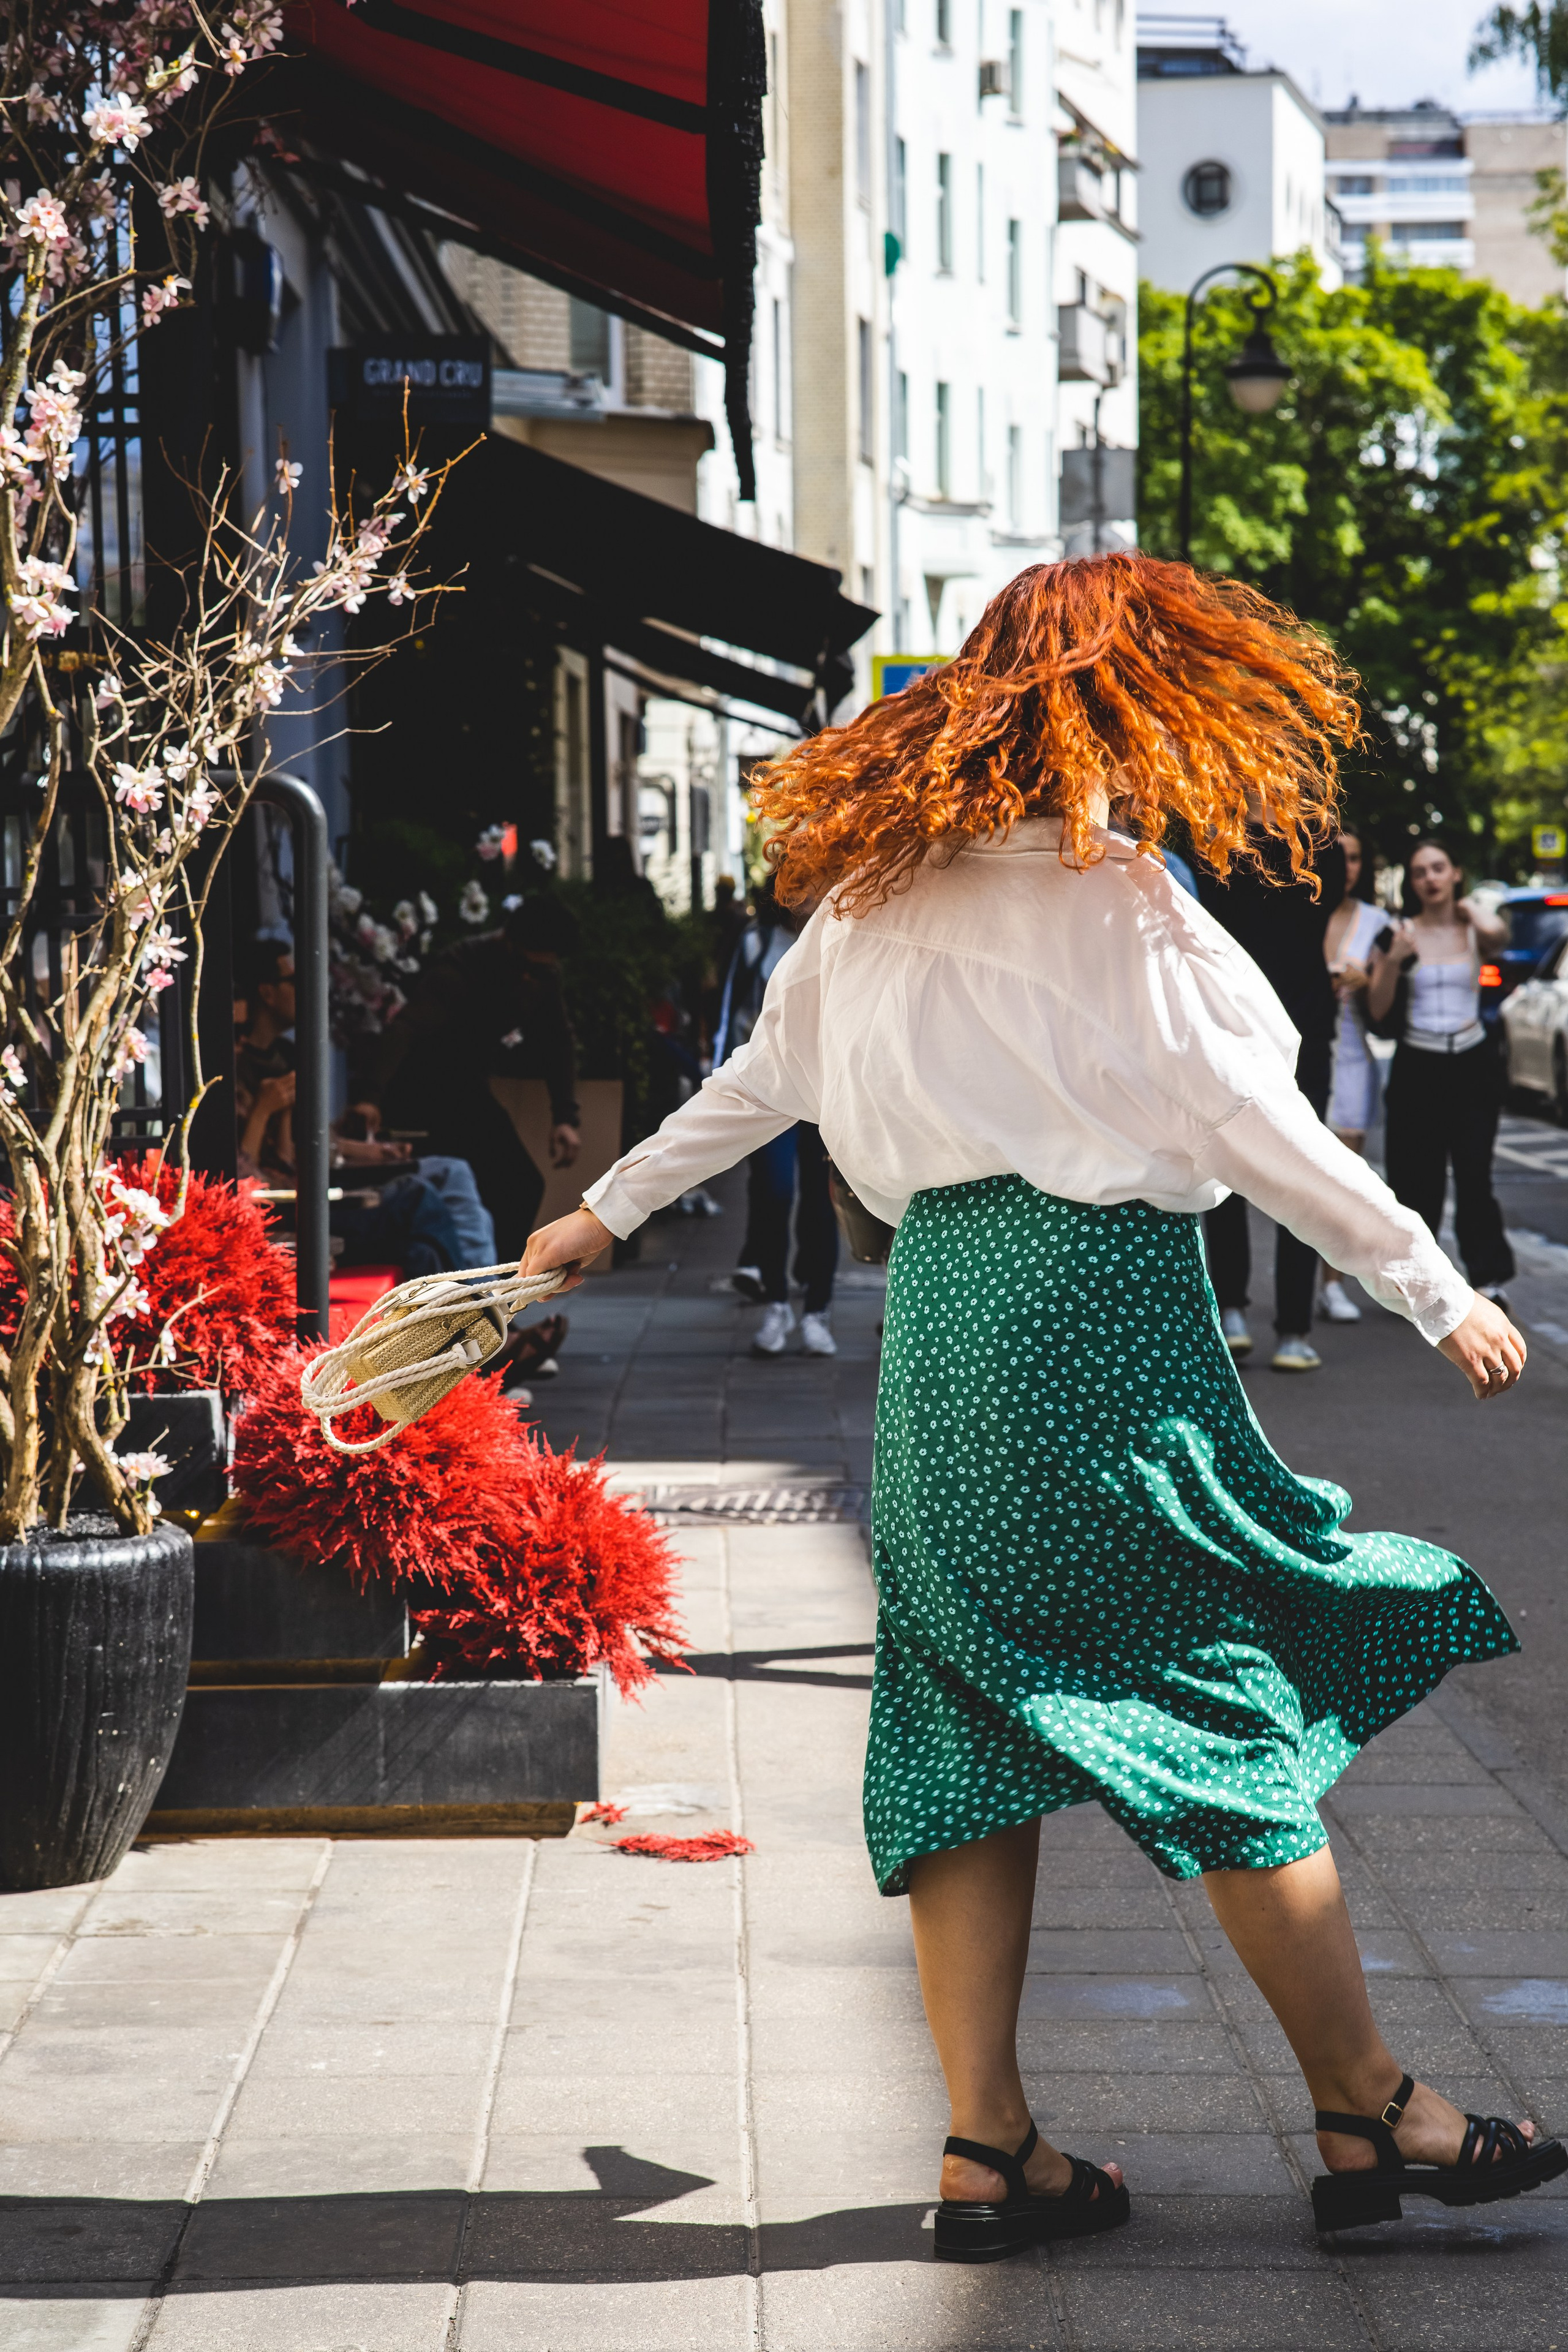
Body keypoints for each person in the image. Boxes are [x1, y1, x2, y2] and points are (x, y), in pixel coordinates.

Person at [521, 553, 1559, 2258]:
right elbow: (1262, 1137)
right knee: (1212, 1693)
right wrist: (1435, 1290)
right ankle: (1373, 2107)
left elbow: (753, 1088)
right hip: (1097, 1316)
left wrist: (598, 1216)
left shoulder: (870, 896)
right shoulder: (1123, 907)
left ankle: (989, 2148)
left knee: (964, 1716)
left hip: (936, 1323)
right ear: (1139, 708)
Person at [352, 896, 582, 1265]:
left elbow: (558, 1041)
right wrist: (370, 1096)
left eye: (539, 971)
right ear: (507, 942)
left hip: (467, 1089)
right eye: (524, 965)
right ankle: (476, 1299)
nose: (529, 977)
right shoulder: (461, 968)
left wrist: (566, 1117)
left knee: (521, 1185)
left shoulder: (543, 977)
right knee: (481, 1189)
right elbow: (405, 1030)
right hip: (422, 1090)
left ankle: (499, 1296)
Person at [1197, 828, 1345, 1373]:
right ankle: (1232, 1308)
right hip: (1230, 1028)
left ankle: (1295, 1326)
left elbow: (1324, 907)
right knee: (1227, 1168)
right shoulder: (1213, 837)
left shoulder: (1319, 842)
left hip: (1305, 1027)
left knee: (1306, 1172)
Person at [1366, 839, 1515, 1312]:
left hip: (1472, 1062)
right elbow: (1377, 1009)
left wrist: (1470, 905)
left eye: (1438, 869)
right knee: (1416, 1180)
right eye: (1419, 872)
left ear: (1455, 874)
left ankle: (1488, 1278)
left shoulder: (1474, 926)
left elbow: (1501, 937)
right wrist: (1392, 960)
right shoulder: (1399, 932)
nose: (1429, 879)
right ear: (1412, 883)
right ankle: (1419, 1284)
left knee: (1474, 1176)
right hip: (1418, 1064)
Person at [715, 880, 838, 1355]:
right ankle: (776, 1305)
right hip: (768, 1091)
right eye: (800, 886)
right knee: (773, 1193)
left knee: (821, 1200)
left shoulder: (844, 933)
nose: (809, 897)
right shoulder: (757, 943)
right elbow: (729, 1013)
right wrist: (723, 1080)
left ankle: (818, 1312)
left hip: (826, 1093)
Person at [1320, 827, 1387, 1324]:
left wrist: (1370, 981)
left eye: (1357, 858)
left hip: (1350, 1055)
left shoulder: (1379, 923)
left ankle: (1332, 1283)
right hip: (1301, 1054)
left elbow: (1387, 1010)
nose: (1348, 866)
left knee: (1343, 1178)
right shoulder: (1299, 915)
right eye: (1340, 857)